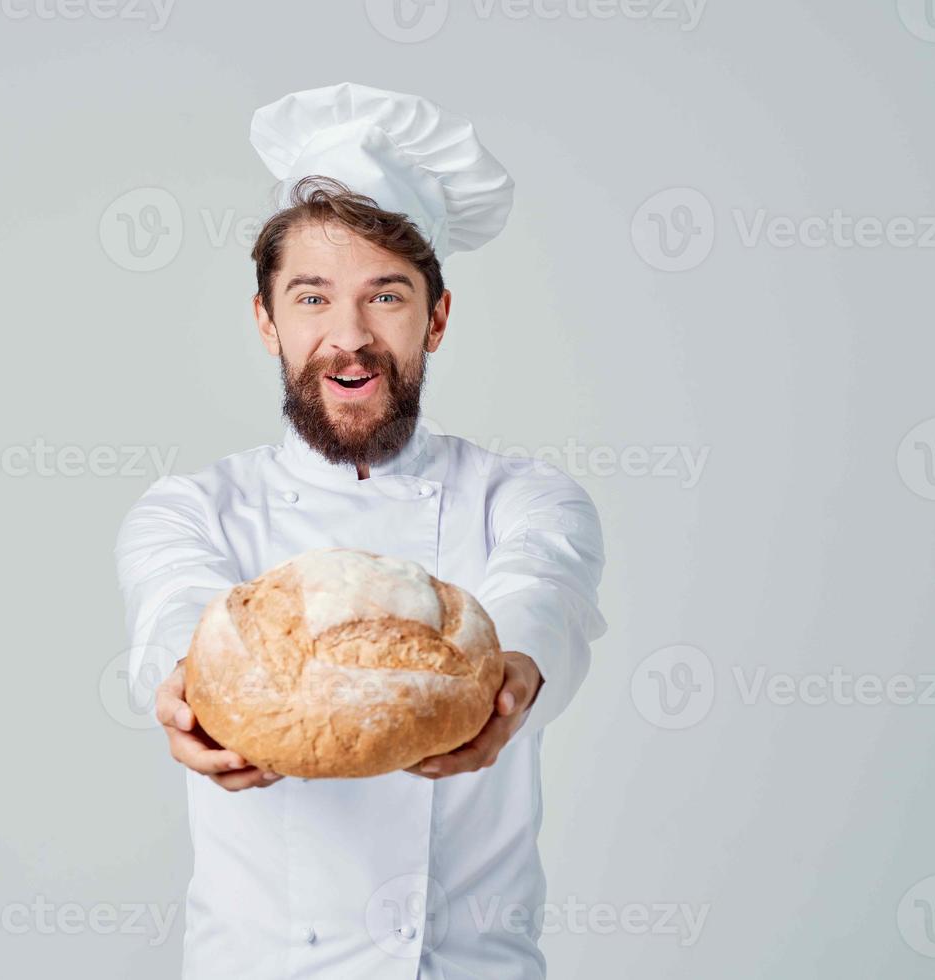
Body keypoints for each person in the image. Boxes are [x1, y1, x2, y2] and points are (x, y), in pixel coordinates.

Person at [114, 82, 608, 980]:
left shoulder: (525, 498)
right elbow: (177, 614)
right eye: (311, 298)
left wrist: (513, 679)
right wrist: (184, 690)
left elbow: (544, 593)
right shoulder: (191, 509)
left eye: (386, 297)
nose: (349, 338)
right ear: (265, 321)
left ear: (437, 318)